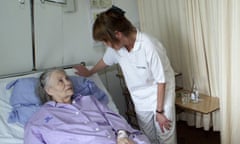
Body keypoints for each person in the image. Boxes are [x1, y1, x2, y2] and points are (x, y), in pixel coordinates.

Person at [74, 5, 177, 144]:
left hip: (161, 93)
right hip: (140, 97)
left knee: (165, 135)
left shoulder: (149, 45)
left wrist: (160, 112)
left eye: (105, 41)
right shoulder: (117, 47)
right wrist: (89, 72)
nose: (106, 45)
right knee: (148, 136)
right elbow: (105, 61)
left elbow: (161, 81)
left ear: (118, 34)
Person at [24, 68, 150, 144]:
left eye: (67, 78)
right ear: (49, 90)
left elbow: (115, 118)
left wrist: (122, 135)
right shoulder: (38, 121)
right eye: (60, 81)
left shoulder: (89, 101)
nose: (68, 82)